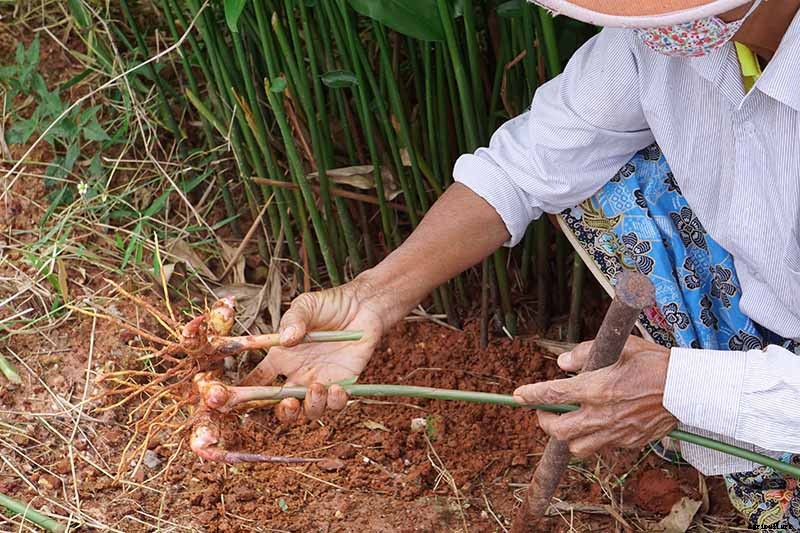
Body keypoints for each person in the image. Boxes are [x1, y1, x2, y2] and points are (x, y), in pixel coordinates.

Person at [242, 0, 800, 528]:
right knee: (601, 175)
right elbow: (527, 165)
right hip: (776, 308)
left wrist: (683, 388)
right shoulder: (664, 39)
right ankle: (755, 436)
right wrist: (374, 295)